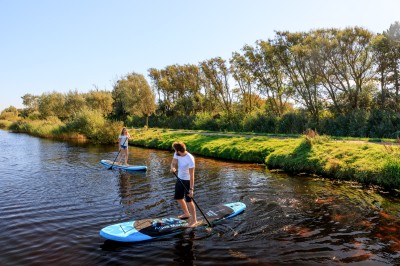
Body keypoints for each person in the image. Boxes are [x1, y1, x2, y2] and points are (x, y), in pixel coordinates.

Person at [170, 141, 199, 227]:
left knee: (189, 201)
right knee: (178, 197)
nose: (175, 152)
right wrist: (172, 168)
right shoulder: (177, 153)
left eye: (175, 150)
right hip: (179, 179)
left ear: (179, 151)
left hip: (188, 181)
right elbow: (173, 163)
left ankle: (194, 220)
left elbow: (192, 175)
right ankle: (186, 213)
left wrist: (191, 189)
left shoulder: (190, 158)